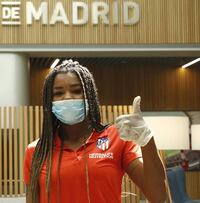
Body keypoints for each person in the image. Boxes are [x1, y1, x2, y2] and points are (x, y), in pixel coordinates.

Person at [23, 60, 167, 203]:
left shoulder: (116, 139)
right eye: (59, 93)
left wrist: (146, 139)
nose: (67, 97)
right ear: (50, 100)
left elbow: (158, 197)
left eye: (77, 91)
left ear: (90, 96)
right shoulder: (36, 151)